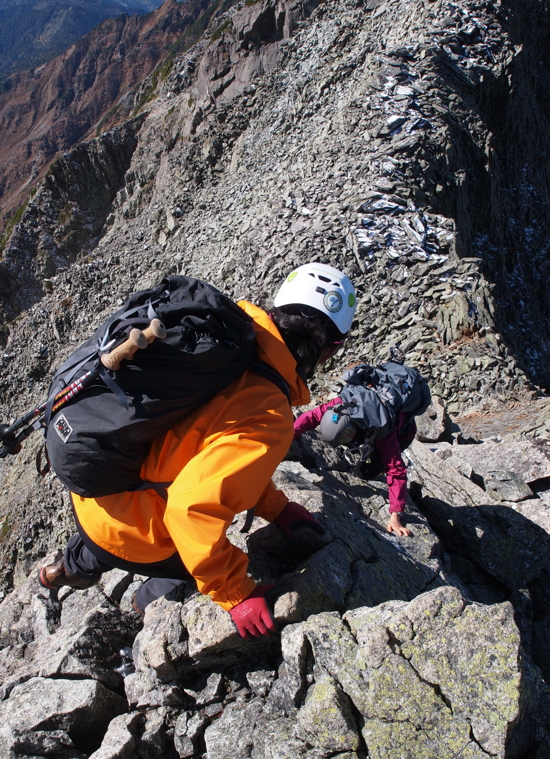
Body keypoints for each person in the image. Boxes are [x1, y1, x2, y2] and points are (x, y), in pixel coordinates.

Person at [39, 263, 357, 639]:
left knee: (102, 539)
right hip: (137, 532)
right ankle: (145, 605)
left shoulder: (224, 343)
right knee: (192, 562)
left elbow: (206, 448)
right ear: (328, 351)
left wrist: (275, 506)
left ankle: (57, 571)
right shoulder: (271, 415)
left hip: (96, 488)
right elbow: (189, 510)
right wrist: (235, 593)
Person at [293, 355, 417, 538]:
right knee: (365, 467)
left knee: (369, 472)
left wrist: (395, 515)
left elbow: (396, 470)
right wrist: (287, 435)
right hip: (371, 419)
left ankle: (380, 475)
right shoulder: (341, 404)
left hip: (402, 432)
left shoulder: (384, 432)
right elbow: (311, 417)